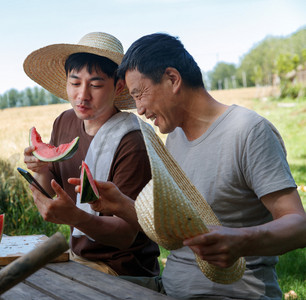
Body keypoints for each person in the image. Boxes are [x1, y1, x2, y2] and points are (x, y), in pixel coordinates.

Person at [86, 32, 306, 299]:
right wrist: (121, 204)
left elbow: (298, 225)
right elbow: (173, 234)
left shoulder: (249, 131)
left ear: (172, 79)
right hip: (170, 291)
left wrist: (242, 240)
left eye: (139, 94)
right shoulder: (174, 139)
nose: (140, 109)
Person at [22, 32, 160, 279]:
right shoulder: (64, 122)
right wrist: (41, 169)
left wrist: (76, 217)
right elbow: (49, 191)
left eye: (95, 85)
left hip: (124, 273)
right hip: (79, 261)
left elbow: (125, 235)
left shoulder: (133, 141)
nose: (82, 95)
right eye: (75, 83)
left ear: (118, 86)